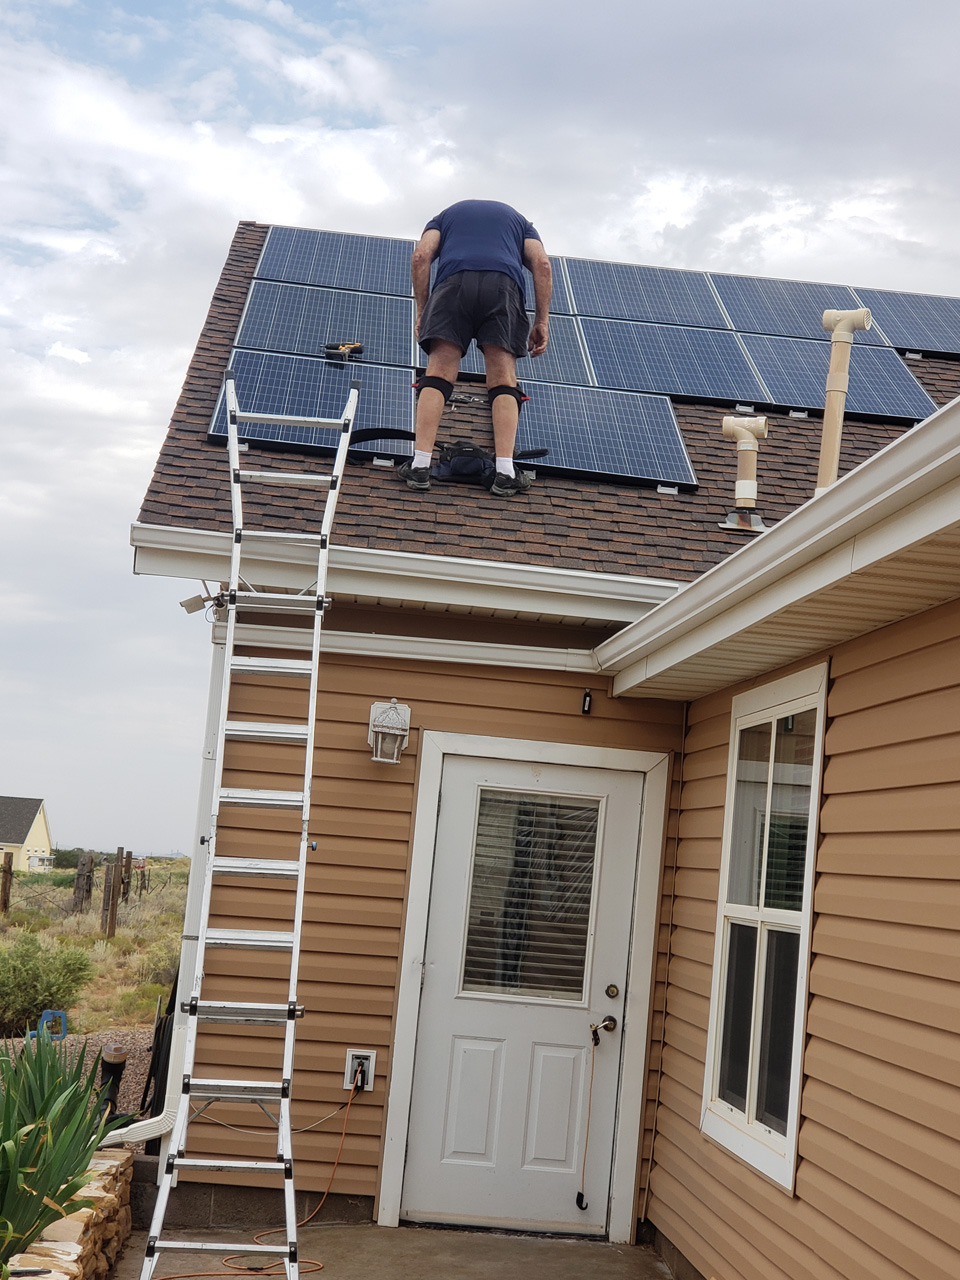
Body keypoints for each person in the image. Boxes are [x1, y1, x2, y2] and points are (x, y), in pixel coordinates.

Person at [400, 199, 552, 497]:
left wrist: (422, 309)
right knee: (503, 375)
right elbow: (542, 265)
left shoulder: (442, 218)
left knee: (439, 370)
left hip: (451, 287)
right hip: (503, 288)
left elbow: (420, 257)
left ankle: (419, 464)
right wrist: (542, 320)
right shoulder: (522, 224)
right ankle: (506, 471)